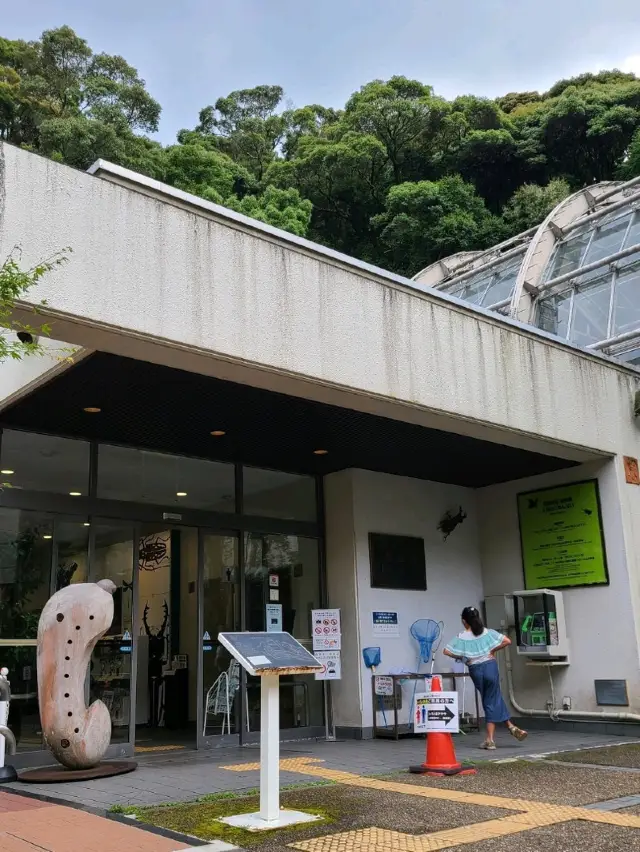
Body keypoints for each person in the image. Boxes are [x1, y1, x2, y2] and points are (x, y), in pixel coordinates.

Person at [443, 606, 527, 750]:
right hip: (490, 666)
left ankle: (494, 737)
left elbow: (446, 651)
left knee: (489, 699)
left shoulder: (461, 636)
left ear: (464, 621)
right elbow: (507, 641)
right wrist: (492, 651)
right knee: (492, 698)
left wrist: (464, 658)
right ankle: (506, 730)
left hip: (475, 669)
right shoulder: (488, 632)